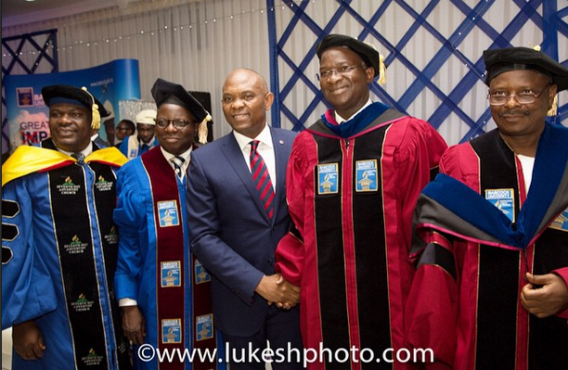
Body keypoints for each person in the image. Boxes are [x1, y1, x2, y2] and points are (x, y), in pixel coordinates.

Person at [274, 34, 447, 370]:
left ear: (369, 73)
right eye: (325, 72)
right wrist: (290, 276)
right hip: (325, 303)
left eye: (344, 68)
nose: (333, 78)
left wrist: (427, 288)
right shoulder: (309, 144)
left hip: (395, 296)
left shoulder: (406, 135)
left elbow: (428, 221)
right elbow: (298, 222)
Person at [404, 46, 568, 369]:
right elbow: (438, 261)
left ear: (550, 96)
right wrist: (433, 352)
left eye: (525, 93)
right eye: (499, 93)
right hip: (478, 347)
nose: (510, 104)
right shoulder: (463, 163)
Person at [1, 85, 131, 370]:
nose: (64, 121)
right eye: (57, 114)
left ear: (91, 122)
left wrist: (133, 302)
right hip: (51, 313)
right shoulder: (25, 172)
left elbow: (132, 241)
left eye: (75, 114)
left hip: (113, 309)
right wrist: (22, 319)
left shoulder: (115, 168)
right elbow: (13, 251)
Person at [186, 68, 303, 370]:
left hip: (295, 297)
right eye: (228, 98)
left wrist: (295, 281)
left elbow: (311, 221)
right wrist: (260, 283)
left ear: (267, 100)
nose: (236, 105)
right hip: (239, 299)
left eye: (247, 96)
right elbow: (203, 237)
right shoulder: (204, 160)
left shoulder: (298, 146)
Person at [113, 78, 224, 370]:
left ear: (195, 126)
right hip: (153, 299)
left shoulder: (215, 164)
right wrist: (129, 303)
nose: (170, 129)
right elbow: (127, 244)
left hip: (214, 299)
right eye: (162, 123)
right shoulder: (135, 172)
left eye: (180, 123)